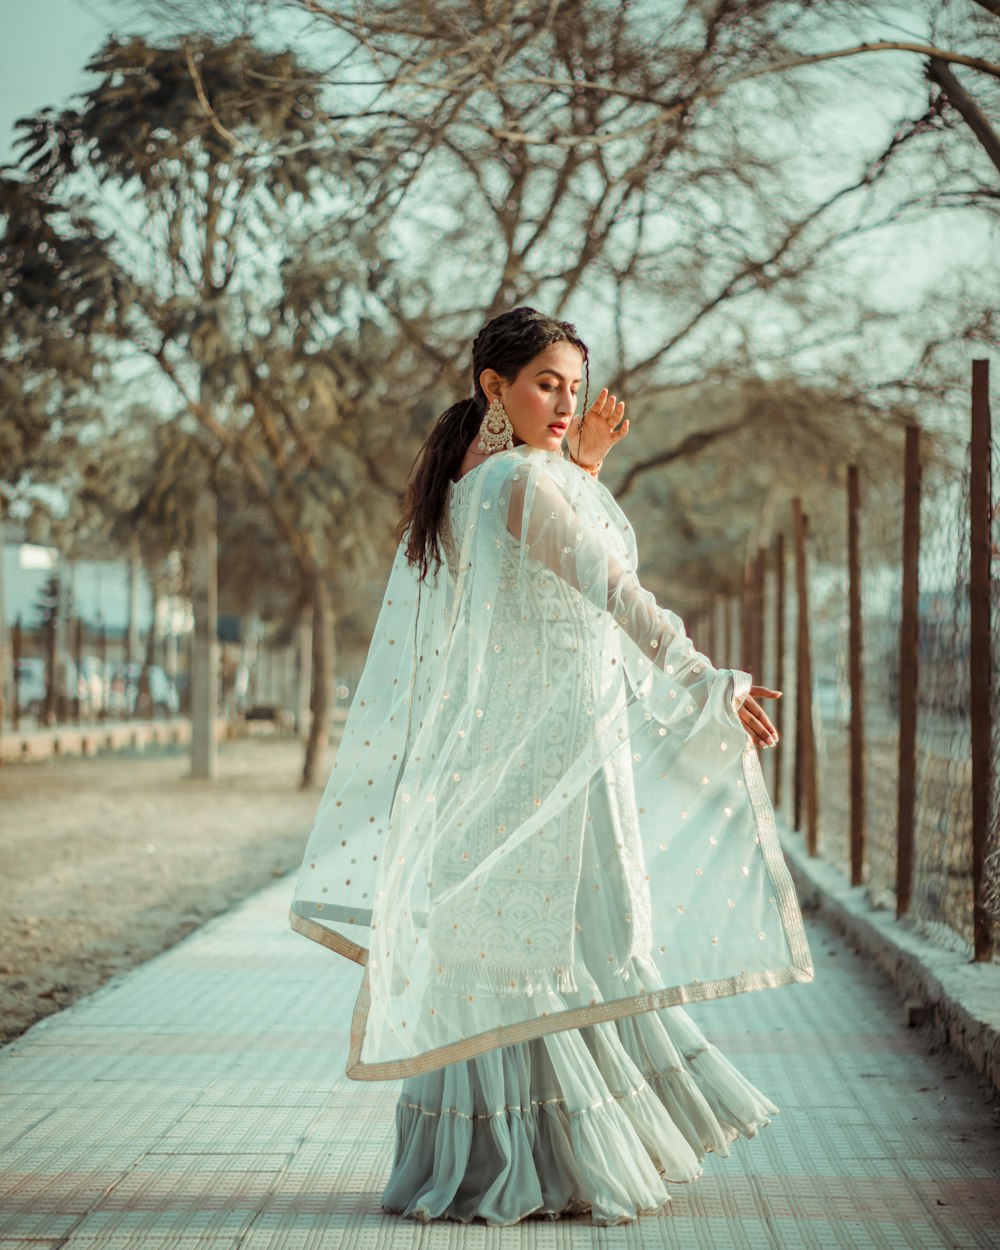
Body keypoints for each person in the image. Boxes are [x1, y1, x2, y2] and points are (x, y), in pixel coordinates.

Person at [290, 306, 813, 1226]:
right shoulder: (522, 483)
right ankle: (541, 1163)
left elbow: (544, 567)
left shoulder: (472, 478)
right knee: (570, 949)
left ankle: (523, 1158)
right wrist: (704, 678)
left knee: (525, 956)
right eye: (546, 385)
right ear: (494, 387)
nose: (566, 403)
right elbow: (610, 587)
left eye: (574, 387)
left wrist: (585, 467)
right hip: (551, 762)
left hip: (519, 755)